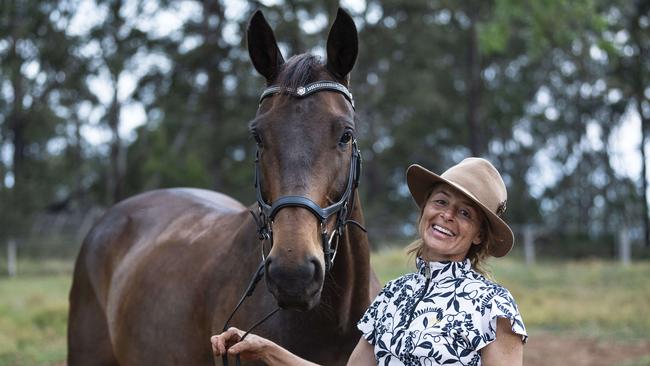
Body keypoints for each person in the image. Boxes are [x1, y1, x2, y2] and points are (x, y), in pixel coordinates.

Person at [211, 158, 528, 365]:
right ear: (425, 210)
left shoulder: (494, 307)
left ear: (477, 235)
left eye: (464, 213)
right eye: (441, 201)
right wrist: (266, 349)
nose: (446, 215)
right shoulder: (391, 297)